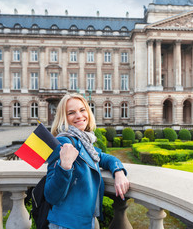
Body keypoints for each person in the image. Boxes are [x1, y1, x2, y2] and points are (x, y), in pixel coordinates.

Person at [44, 93, 130, 229]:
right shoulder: (64, 142)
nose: (79, 116)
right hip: (67, 224)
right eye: (71, 113)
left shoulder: (84, 141)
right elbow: (51, 195)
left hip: (84, 221)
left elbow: (105, 158)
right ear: (63, 118)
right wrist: (65, 166)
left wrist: (118, 171)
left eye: (82, 110)